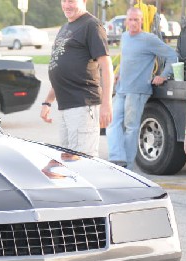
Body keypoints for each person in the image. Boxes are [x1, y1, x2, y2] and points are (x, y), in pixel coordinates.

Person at [40, 0, 113, 157]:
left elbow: (106, 67)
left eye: (71, 1)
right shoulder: (65, 27)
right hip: (66, 107)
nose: (67, 5)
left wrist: (107, 104)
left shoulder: (91, 25)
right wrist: (47, 101)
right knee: (67, 163)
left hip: (82, 106)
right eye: (64, 0)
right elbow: (62, 71)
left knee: (82, 163)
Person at [106, 8, 177, 169]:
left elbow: (172, 55)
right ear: (125, 21)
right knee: (112, 122)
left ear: (142, 22)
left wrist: (164, 75)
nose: (132, 23)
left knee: (131, 127)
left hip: (138, 90)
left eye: (136, 20)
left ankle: (127, 166)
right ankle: (117, 158)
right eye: (130, 19)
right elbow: (126, 59)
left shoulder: (148, 39)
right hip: (121, 88)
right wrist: (118, 74)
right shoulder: (124, 37)